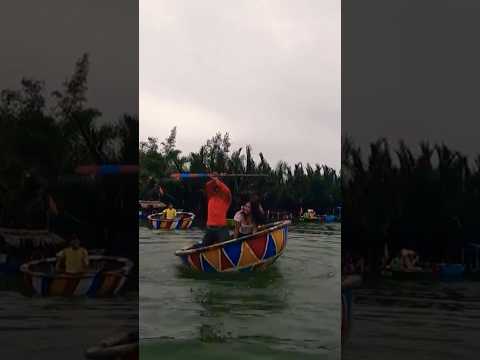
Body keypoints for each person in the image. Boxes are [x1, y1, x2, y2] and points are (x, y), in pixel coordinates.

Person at [202, 175, 232, 246]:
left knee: (225, 246)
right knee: (203, 247)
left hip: (221, 229)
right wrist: (213, 179)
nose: (216, 189)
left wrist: (217, 180)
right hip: (210, 228)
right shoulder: (210, 197)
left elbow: (226, 190)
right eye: (215, 188)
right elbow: (208, 185)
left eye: (218, 188)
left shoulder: (226, 199)